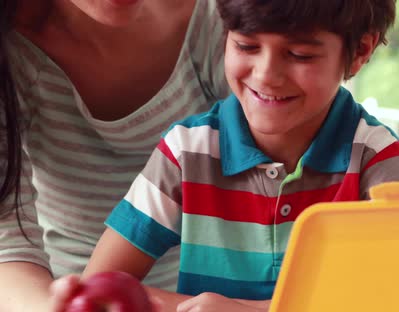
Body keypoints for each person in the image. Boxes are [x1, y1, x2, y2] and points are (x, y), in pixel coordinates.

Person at [48, 0, 399, 311]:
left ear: (361, 51)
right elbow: (104, 285)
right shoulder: (186, 152)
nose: (266, 75)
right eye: (245, 46)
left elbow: (396, 298)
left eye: (299, 54)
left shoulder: (375, 157)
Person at [0, 0, 230, 310]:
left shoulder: (216, 15)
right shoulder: (13, 48)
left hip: (228, 292)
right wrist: (56, 306)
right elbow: (6, 244)